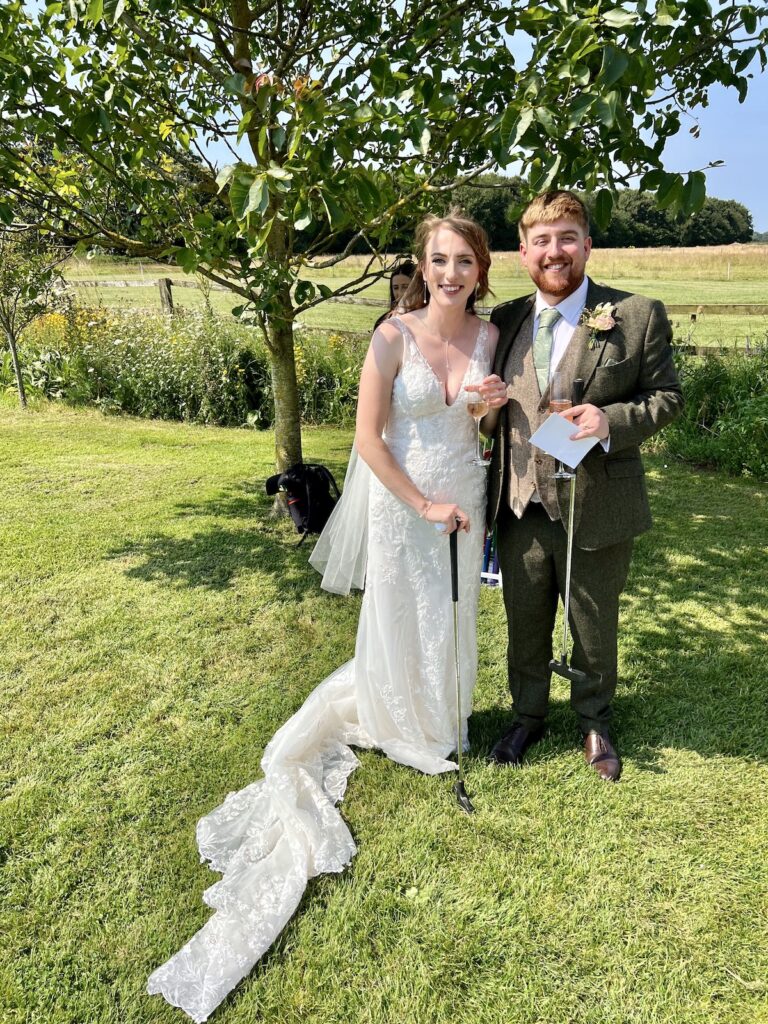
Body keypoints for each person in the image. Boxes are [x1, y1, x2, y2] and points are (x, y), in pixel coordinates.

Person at [147, 212, 507, 1022]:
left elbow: (478, 428)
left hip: (466, 497)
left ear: (482, 269)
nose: (453, 272)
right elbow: (369, 441)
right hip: (405, 501)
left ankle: (438, 716)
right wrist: (421, 504)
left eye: (467, 261)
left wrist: (485, 411)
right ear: (423, 265)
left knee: (449, 613)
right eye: (440, 260)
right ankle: (393, 712)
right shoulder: (391, 336)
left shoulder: (489, 339)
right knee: (401, 613)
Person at [479, 190, 683, 782]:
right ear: (523, 252)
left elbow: (667, 397)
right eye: (541, 240)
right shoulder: (505, 320)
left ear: (588, 245)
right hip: (520, 500)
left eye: (567, 237)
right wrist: (483, 413)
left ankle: (594, 721)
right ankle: (527, 714)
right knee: (524, 617)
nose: (555, 251)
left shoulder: (637, 314)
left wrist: (608, 422)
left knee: (593, 621)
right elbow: (491, 407)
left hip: (597, 499)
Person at [372, 259, 416, 330]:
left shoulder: (427, 320)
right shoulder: (383, 322)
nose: (400, 292)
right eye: (396, 288)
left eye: (405, 287)